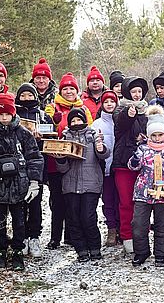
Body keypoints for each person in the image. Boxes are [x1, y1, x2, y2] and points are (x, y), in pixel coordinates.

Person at [0, 93, 44, 271]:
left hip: (19, 187)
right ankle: (0, 252)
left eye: (7, 114)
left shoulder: (23, 134)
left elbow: (34, 157)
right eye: (1, 114)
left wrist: (34, 181)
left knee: (19, 222)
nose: (4, 118)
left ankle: (18, 252)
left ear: (13, 114)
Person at [128, 105, 164, 267]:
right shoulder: (143, 148)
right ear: (149, 135)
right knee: (138, 224)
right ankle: (141, 251)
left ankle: (161, 255)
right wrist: (133, 160)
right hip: (143, 192)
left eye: (161, 135)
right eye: (154, 135)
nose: (158, 138)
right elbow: (133, 167)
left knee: (162, 225)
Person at [45, 72, 93, 249]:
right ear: (60, 91)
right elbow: (47, 129)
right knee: (57, 201)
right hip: (57, 162)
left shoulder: (84, 109)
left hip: (79, 162)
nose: (69, 92)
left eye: (72, 88)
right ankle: (55, 237)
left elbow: (90, 130)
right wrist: (54, 122)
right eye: (65, 89)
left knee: (74, 202)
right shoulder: (52, 107)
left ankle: (71, 236)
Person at [55, 108, 110, 262]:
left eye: (79, 120)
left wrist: (101, 147)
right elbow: (63, 169)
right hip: (70, 185)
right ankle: (81, 250)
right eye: (73, 121)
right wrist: (60, 158)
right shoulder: (65, 138)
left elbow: (104, 154)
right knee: (73, 218)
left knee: (88, 217)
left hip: (91, 183)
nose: (76, 123)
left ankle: (95, 248)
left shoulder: (93, 136)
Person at [15, 83, 55, 258]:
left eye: (29, 95)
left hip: (37, 163)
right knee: (18, 203)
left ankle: (34, 236)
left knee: (35, 201)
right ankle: (21, 236)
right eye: (23, 96)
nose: (26, 99)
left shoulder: (43, 116)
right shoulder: (14, 116)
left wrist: (42, 136)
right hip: (16, 165)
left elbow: (52, 136)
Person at [112, 76, 149, 253]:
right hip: (123, 162)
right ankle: (127, 235)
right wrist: (129, 114)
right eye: (133, 91)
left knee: (143, 202)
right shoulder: (120, 108)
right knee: (126, 201)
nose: (136, 95)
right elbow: (121, 123)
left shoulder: (148, 110)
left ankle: (142, 236)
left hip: (145, 164)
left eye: (139, 92)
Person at [91, 90, 120, 246]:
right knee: (108, 200)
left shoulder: (121, 120)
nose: (109, 104)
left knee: (121, 200)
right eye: (106, 102)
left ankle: (122, 229)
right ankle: (111, 229)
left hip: (120, 166)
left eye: (112, 101)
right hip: (105, 168)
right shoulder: (97, 124)